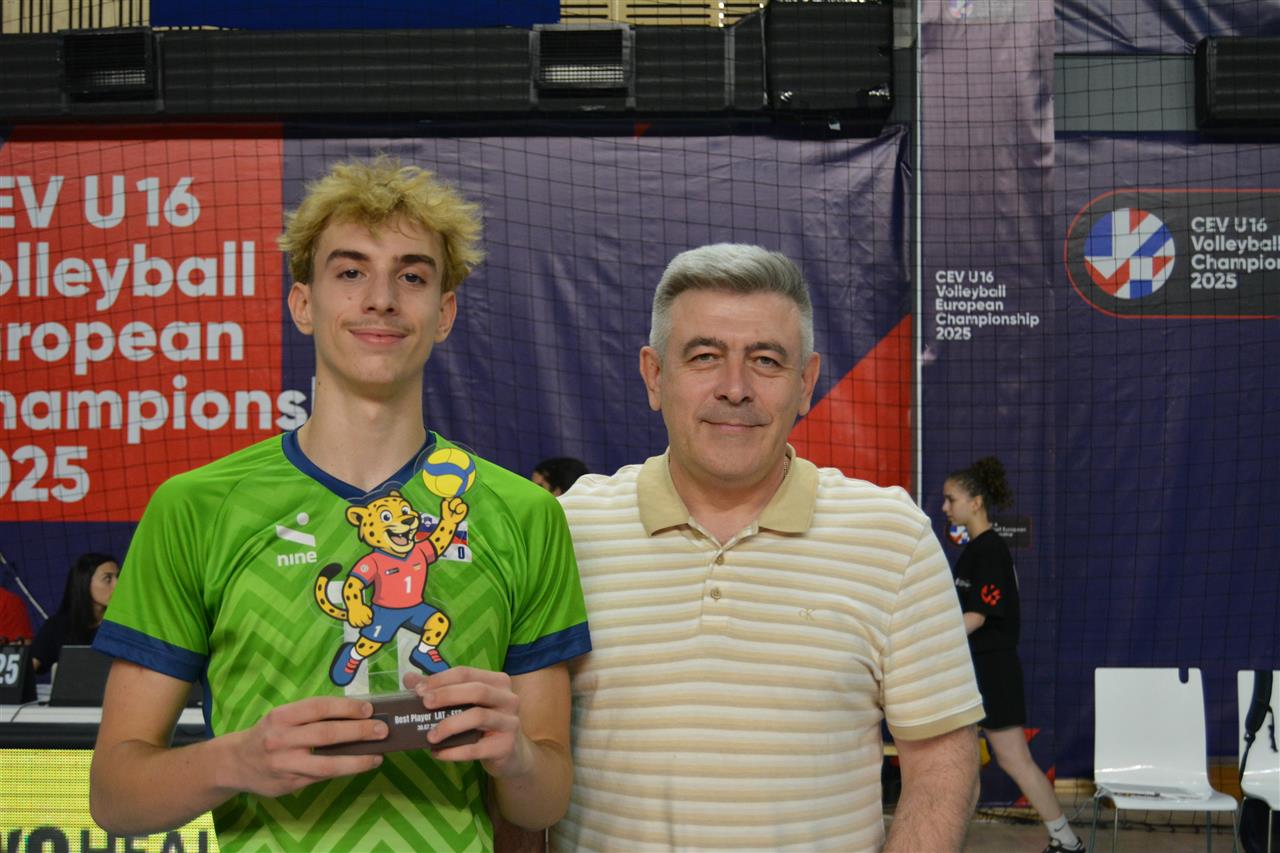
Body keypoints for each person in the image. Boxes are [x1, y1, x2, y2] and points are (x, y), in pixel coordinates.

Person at [89, 156, 591, 852]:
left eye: (412, 276)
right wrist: (239, 759)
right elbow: (114, 796)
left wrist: (519, 757)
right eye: (350, 272)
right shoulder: (195, 507)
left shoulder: (526, 514)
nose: (381, 298)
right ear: (303, 304)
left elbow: (544, 802)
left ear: (444, 313)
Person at [551, 244, 985, 852]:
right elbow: (523, 761)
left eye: (766, 360)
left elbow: (942, 762)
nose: (735, 388)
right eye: (704, 356)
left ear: (805, 383)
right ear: (654, 375)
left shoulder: (893, 537)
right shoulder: (567, 530)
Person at [942, 457, 1084, 853]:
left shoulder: (990, 550)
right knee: (962, 766)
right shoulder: (975, 550)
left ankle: (1066, 840)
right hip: (974, 670)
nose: (945, 507)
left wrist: (931, 640)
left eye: (951, 499)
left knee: (1014, 760)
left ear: (976, 502)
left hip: (994, 671)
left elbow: (977, 616)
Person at [30, 552, 118, 672]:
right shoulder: (56, 627)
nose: (117, 584)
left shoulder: (125, 626)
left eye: (118, 577)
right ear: (85, 582)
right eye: (107, 579)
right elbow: (27, 670)